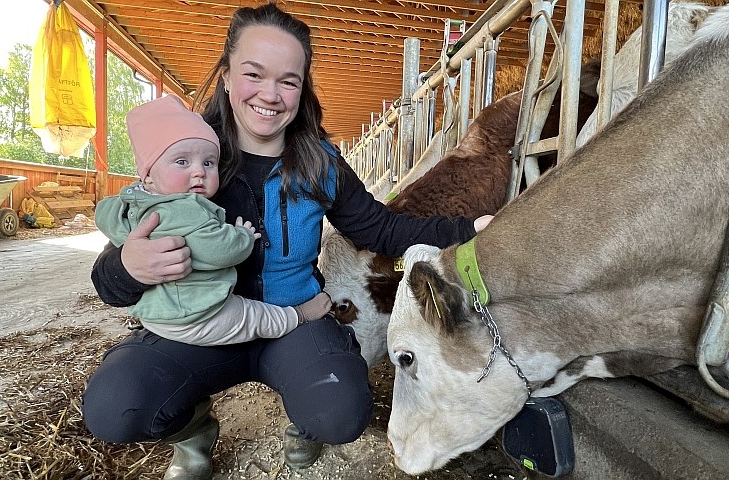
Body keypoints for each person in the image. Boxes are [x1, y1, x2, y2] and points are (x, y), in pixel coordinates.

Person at [82, 3, 494, 479]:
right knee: (116, 406)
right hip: (202, 323)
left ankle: (306, 418)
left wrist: (468, 230)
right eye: (254, 74)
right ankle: (192, 433)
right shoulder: (189, 156)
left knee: (339, 412)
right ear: (227, 76)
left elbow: (381, 229)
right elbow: (111, 274)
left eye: (289, 81)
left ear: (302, 89)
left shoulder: (319, 161)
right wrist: (127, 267)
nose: (271, 95)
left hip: (297, 320)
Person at [94, 95, 332, 346]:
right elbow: (220, 250)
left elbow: (105, 215)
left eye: (209, 163)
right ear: (149, 176)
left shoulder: (134, 201)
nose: (199, 171)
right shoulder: (187, 209)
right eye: (182, 162)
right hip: (198, 314)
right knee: (253, 316)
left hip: (155, 314)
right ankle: (298, 316)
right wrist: (243, 237)